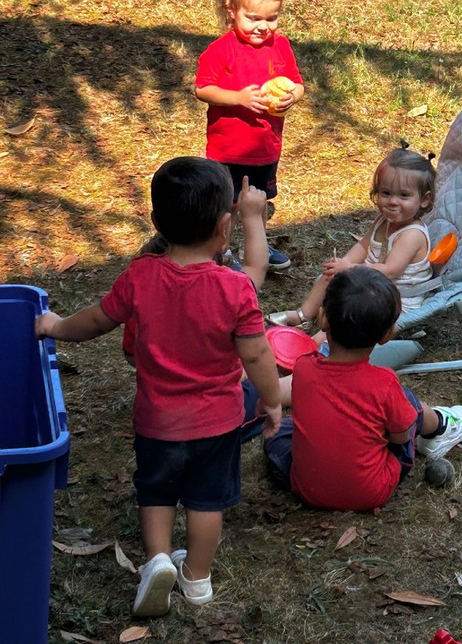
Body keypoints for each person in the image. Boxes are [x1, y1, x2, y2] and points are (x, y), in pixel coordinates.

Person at [35, 157, 282, 617]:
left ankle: (158, 561)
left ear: (157, 223)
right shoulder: (236, 288)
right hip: (217, 422)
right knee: (207, 501)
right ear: (225, 226)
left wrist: (54, 325)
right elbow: (256, 354)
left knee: (157, 493)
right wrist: (271, 400)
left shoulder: (138, 276)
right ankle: (198, 579)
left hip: (157, 421)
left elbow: (93, 322)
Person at [263, 266, 462, 511]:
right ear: (387, 335)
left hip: (305, 488)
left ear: (322, 318)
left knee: (281, 432)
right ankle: (439, 426)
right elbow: (401, 436)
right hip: (370, 493)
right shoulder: (384, 383)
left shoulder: (303, 368)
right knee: (407, 404)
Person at [195, 0, 304, 271]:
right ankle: (223, 253)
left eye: (272, 18)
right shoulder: (221, 50)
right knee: (226, 205)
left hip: (265, 146)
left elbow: (297, 84)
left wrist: (292, 97)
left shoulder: (280, 46)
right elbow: (203, 89)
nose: (263, 27)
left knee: (258, 203)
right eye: (253, 17)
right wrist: (239, 98)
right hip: (228, 149)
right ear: (232, 11)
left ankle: (258, 248)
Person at [267, 145, 436, 328]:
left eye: (404, 195)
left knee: (354, 313)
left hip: (397, 297)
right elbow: (364, 246)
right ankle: (302, 316)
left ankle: (328, 340)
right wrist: (342, 265)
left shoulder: (412, 234)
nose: (393, 201)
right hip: (371, 283)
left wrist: (350, 268)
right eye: (386, 193)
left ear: (424, 200)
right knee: (329, 277)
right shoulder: (383, 220)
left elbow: (390, 270)